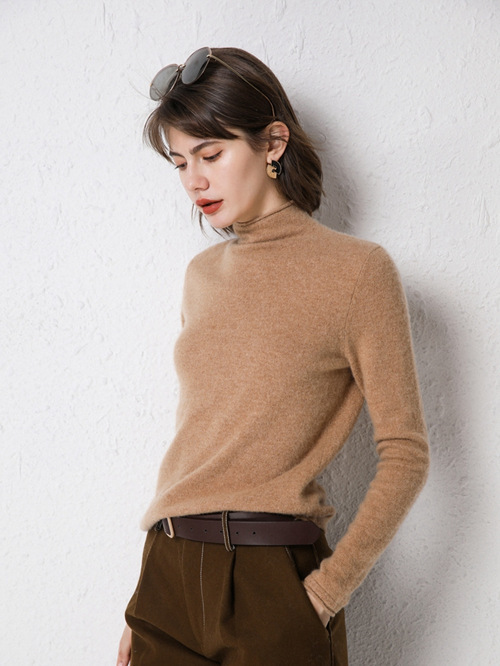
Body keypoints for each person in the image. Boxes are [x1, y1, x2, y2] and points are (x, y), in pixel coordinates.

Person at [116, 46, 430, 666]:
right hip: (168, 575)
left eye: (210, 154)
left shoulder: (358, 273)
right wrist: (146, 593)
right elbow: (202, 438)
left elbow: (406, 453)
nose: (194, 180)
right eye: (180, 162)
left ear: (273, 143)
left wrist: (323, 595)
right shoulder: (201, 276)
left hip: (272, 580)